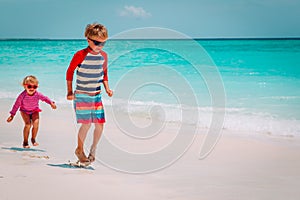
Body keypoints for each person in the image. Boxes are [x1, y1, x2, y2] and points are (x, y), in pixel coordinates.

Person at [66, 23, 113, 164]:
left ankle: (93, 149)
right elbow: (70, 72)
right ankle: (79, 149)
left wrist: (107, 88)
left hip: (96, 95)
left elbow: (104, 74)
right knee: (86, 124)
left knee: (100, 124)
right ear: (88, 40)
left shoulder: (104, 56)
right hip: (82, 95)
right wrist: (69, 91)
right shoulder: (80, 55)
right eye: (97, 43)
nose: (100, 46)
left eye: (103, 43)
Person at [7, 75, 57, 148]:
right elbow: (16, 105)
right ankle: (25, 142)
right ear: (24, 86)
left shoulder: (37, 94)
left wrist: (51, 103)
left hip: (34, 111)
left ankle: (33, 139)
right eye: (29, 86)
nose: (32, 88)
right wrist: (12, 115)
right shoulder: (22, 95)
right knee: (28, 125)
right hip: (24, 111)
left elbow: (45, 98)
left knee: (36, 124)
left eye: (35, 87)